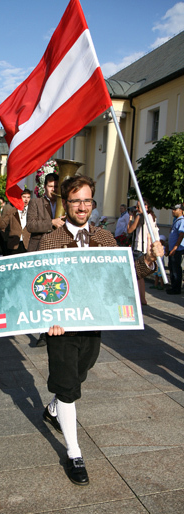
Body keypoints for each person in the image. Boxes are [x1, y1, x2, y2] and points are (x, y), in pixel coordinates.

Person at [38, 174, 163, 486]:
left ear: (92, 203)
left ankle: (54, 408)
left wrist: (147, 259)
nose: (82, 206)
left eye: (87, 200)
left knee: (81, 371)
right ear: (65, 204)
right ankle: (74, 452)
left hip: (92, 322)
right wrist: (48, 317)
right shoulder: (50, 240)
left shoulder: (105, 238)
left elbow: (124, 272)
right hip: (61, 325)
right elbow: (38, 285)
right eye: (76, 200)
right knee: (68, 385)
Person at [27, 172, 63, 346]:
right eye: (51, 186)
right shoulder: (36, 202)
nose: (54, 189)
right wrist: (52, 223)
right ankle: (43, 330)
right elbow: (31, 225)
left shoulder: (64, 202)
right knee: (43, 289)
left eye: (56, 186)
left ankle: (57, 326)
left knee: (58, 289)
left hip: (60, 251)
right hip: (40, 249)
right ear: (44, 187)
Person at [127, 198, 159, 305]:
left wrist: (131, 218)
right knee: (141, 276)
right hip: (147, 248)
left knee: (137, 275)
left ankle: (140, 298)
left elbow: (129, 230)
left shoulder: (140, 216)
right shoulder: (152, 217)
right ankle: (142, 298)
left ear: (145, 207)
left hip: (138, 247)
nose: (136, 209)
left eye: (138, 206)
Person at [0, 188, 31, 254]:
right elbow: (2, 225)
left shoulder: (32, 211)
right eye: (24, 197)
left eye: (28, 197)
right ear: (20, 198)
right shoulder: (12, 211)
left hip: (27, 244)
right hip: (14, 244)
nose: (26, 199)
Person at [166, 203, 184, 295]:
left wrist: (175, 247)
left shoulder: (181, 221)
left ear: (181, 210)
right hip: (172, 249)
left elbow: (181, 235)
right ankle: (173, 287)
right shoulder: (176, 220)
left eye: (175, 209)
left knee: (176, 269)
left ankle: (176, 289)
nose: (173, 211)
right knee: (172, 268)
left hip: (176, 250)